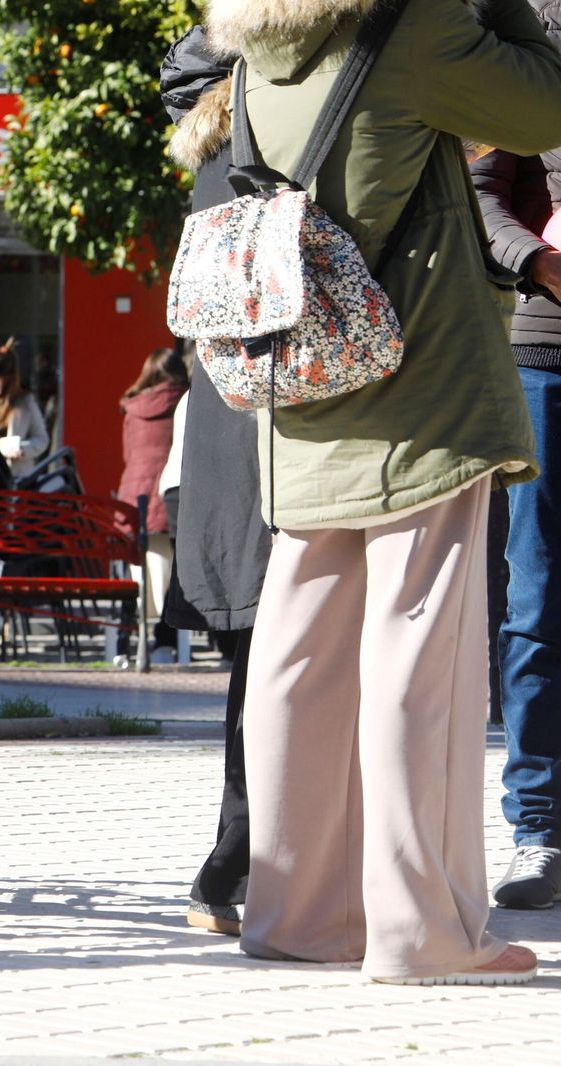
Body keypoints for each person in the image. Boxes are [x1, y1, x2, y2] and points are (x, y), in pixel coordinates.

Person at [201, 0, 561, 985]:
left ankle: (298, 913)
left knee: (299, 655)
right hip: (420, 383)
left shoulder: (260, 35)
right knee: (423, 659)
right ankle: (424, 932)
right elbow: (545, 109)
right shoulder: (423, 24)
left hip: (308, 378)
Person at [160, 26, 271, 942]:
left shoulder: (216, 153)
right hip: (279, 430)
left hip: (237, 435)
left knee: (263, 659)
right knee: (279, 656)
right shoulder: (278, 139)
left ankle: (232, 862)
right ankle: (239, 861)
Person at [471, 3, 561, 910]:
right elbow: (482, 186)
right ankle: (538, 829)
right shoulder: (536, 25)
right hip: (549, 356)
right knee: (536, 604)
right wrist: (536, 260)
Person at [116, 347, 187, 659]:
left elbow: (129, 455)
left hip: (133, 494)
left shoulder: (133, 406)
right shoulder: (185, 400)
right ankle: (166, 641)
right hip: (170, 492)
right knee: (175, 573)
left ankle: (124, 644)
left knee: (138, 574)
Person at [0, 339, 50, 484]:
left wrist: (19, 448)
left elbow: (42, 440)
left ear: (7, 381)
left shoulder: (24, 402)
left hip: (13, 478)